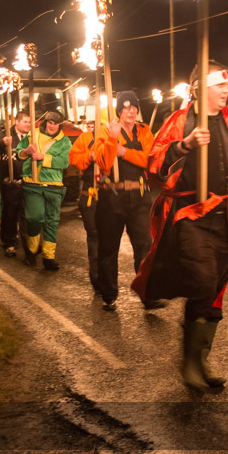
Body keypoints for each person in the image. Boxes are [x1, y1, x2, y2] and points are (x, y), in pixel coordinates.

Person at [131, 61, 228, 391]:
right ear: (200, 88)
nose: (226, 91)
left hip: (224, 216)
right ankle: (190, 362)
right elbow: (154, 167)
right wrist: (185, 145)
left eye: (227, 85)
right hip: (189, 214)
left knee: (217, 284)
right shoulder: (178, 121)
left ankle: (201, 359)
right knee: (203, 280)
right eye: (220, 85)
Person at [92, 91, 155, 311]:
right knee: (109, 247)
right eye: (126, 108)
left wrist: (124, 151)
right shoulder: (105, 130)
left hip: (139, 196)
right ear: (119, 111)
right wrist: (111, 140)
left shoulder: (144, 131)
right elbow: (102, 162)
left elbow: (150, 160)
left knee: (145, 246)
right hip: (112, 197)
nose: (130, 111)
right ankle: (108, 293)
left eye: (134, 108)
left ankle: (148, 293)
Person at [16, 111, 72, 271]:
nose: (52, 126)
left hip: (54, 186)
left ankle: (49, 257)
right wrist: (26, 152)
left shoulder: (65, 141)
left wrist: (43, 158)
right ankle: (32, 248)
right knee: (35, 217)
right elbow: (19, 154)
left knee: (52, 222)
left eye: (56, 124)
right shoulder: (32, 136)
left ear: (60, 126)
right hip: (32, 184)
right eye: (50, 122)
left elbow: (64, 161)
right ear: (45, 122)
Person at [0, 111, 30, 257]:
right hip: (10, 182)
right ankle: (9, 242)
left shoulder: (32, 137)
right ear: (17, 122)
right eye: (25, 122)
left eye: (29, 122)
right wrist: (2, 143)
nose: (28, 125)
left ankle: (29, 246)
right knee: (10, 213)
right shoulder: (6, 134)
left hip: (27, 181)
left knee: (27, 215)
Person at [68, 119, 100, 291]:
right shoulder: (84, 138)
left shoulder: (112, 138)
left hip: (109, 197)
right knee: (94, 235)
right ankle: (96, 277)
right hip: (89, 195)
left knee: (108, 239)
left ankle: (107, 278)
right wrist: (89, 156)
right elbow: (73, 158)